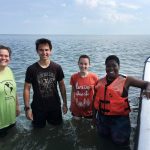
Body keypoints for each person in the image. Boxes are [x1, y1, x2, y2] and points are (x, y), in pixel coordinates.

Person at [93, 55, 150, 146]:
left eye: (114, 65)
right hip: (102, 119)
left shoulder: (127, 80)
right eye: (108, 66)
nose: (111, 68)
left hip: (120, 121)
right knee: (104, 141)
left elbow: (147, 84)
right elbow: (95, 101)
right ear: (105, 67)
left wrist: (148, 90)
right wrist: (93, 117)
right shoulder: (99, 82)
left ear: (119, 66)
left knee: (121, 143)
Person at [23, 38, 68, 128]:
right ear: (37, 51)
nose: (44, 53)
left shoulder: (57, 67)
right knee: (37, 132)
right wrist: (27, 108)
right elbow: (26, 89)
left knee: (57, 130)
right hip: (38, 107)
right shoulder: (31, 69)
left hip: (54, 106)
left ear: (50, 51)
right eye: (41, 50)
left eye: (46, 50)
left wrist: (65, 104)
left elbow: (62, 86)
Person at [70, 55, 98, 120]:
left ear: (89, 65)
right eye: (81, 63)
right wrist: (72, 104)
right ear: (78, 64)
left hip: (90, 109)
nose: (83, 66)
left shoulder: (94, 77)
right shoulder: (74, 77)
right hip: (77, 108)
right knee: (77, 126)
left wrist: (96, 107)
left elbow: (97, 94)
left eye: (85, 64)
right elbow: (73, 91)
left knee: (88, 127)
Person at [0, 45, 20, 137]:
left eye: (6, 56)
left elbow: (13, 90)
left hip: (11, 118)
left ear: (9, 58)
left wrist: (17, 106)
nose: (3, 58)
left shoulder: (9, 70)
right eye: (0, 55)